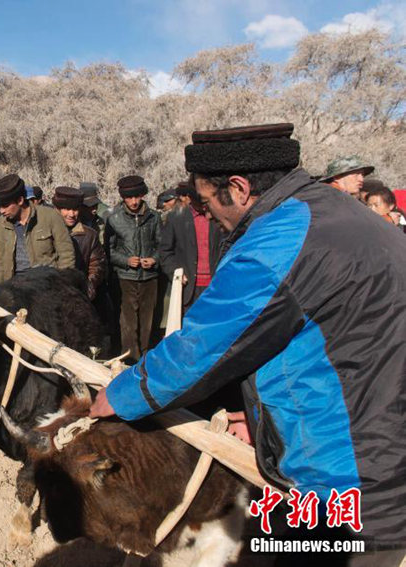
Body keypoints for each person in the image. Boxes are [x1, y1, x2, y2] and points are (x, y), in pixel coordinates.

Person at [91, 123, 406, 562]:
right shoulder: (335, 212)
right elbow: (316, 342)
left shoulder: (277, 241)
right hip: (385, 443)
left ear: (238, 188)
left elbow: (202, 348)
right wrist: (258, 416)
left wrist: (117, 396)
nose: (206, 216)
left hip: (344, 473)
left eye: (205, 203)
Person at [105, 175, 161, 362]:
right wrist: (126, 260)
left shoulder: (154, 217)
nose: (134, 201)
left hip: (149, 277)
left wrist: (153, 260)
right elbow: (109, 251)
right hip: (125, 277)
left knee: (147, 321)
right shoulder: (113, 219)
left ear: (143, 195)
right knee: (128, 322)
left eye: (137, 197)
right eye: (129, 198)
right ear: (123, 198)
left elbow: (162, 246)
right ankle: (129, 359)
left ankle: (145, 358)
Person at [0, 174, 75, 289]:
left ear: (20, 200)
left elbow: (66, 255)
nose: (1, 211)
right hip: (15, 288)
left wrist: (63, 286)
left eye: (5, 205)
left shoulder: (50, 216)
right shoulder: (1, 224)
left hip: (47, 286)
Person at [158, 180, 223, 313]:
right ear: (189, 198)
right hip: (188, 288)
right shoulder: (176, 217)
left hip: (216, 286)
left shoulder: (219, 216)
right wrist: (175, 272)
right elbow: (165, 251)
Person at [52, 186, 105, 301]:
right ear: (57, 209)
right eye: (66, 209)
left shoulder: (89, 235)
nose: (71, 214)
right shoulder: (45, 232)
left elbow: (97, 265)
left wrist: (88, 286)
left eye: (75, 209)